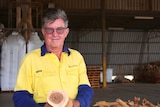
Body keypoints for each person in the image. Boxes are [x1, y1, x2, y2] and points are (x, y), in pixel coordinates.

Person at [13, 9, 94, 107]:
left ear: (66, 32)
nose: (55, 34)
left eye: (59, 29)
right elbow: (20, 96)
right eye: (50, 30)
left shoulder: (76, 57)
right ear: (43, 32)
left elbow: (85, 88)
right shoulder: (30, 60)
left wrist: (77, 103)